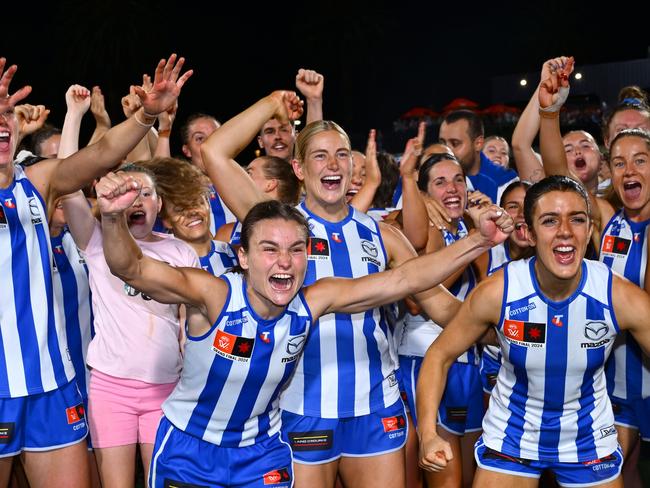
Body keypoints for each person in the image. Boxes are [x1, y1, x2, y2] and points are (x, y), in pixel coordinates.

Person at [95, 166, 512, 487]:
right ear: (242, 256)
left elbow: (404, 280)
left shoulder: (312, 302)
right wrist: (112, 219)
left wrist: (477, 240)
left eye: (297, 250)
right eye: (269, 249)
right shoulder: (213, 294)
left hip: (261, 453)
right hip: (190, 448)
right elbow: (130, 266)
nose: (284, 261)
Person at [199, 91, 481, 487]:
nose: (333, 165)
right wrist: (271, 104)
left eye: (343, 154)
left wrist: (501, 322)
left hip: (374, 408)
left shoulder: (383, 235)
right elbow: (214, 152)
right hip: (301, 405)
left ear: (354, 165)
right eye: (320, 155)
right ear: (298, 168)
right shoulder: (277, 225)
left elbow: (442, 306)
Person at [0, 53, 191, 487]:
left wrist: (146, 115)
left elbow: (103, 152)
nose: (4, 121)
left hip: (53, 383)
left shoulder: (39, 182)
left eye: (7, 111)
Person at [418, 175, 650, 487]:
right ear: (527, 233)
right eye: (550, 221)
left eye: (577, 219)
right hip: (512, 436)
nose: (565, 232)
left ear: (590, 230)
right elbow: (439, 355)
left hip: (588, 439)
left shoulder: (617, 295)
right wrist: (428, 434)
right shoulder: (500, 290)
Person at [399, 150, 490, 488]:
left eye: (458, 180)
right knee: (443, 476)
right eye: (440, 183)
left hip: (467, 363)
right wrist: (475, 244)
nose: (452, 189)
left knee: (468, 476)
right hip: (426, 358)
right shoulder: (429, 231)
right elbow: (413, 301)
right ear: (424, 193)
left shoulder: (464, 228)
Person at [140, 156, 238, 276]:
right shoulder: (165, 267)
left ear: (207, 204)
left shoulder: (234, 253)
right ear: (167, 220)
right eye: (180, 209)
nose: (192, 212)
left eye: (196, 202)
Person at [439, 109, 518, 204]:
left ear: (478, 144)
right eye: (442, 143)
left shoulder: (506, 183)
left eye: (455, 143)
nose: (446, 150)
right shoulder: (431, 176)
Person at [179, 112, 236, 234]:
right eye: (200, 139)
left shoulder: (245, 183)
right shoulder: (179, 189)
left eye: (216, 136)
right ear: (187, 150)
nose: (210, 145)